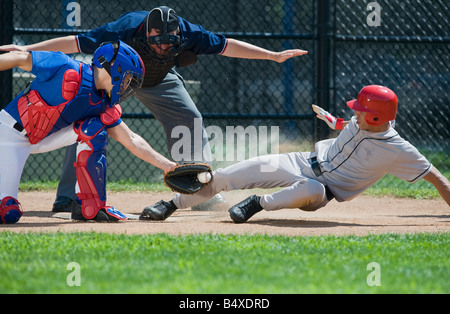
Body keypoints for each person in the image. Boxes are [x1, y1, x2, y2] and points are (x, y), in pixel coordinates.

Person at [0, 6, 308, 212]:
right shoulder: (126, 28)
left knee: (190, 118)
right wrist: (26, 50)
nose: (162, 45)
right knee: (87, 120)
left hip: (161, 80)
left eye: (168, 42)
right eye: (156, 40)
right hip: (120, 79)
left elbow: (229, 46)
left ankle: (198, 191)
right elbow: (75, 42)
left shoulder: (189, 33)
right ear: (145, 32)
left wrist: (273, 56)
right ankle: (68, 197)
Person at [140, 85, 450, 222]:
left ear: (378, 120)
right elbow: (350, 123)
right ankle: (171, 205)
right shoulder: (365, 121)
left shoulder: (398, 150)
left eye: (361, 111)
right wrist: (335, 122)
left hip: (321, 190)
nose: (355, 114)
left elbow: (437, 179)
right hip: (300, 160)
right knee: (226, 175)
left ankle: (255, 205)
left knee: (311, 187)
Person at [0, 40, 177, 224]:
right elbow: (19, 58)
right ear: (115, 69)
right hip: (9, 135)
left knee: (95, 128)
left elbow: (131, 139)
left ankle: (89, 207)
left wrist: (169, 167)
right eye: (126, 78)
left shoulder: (103, 103)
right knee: (8, 213)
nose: (127, 85)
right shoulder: (64, 66)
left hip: (44, 137)